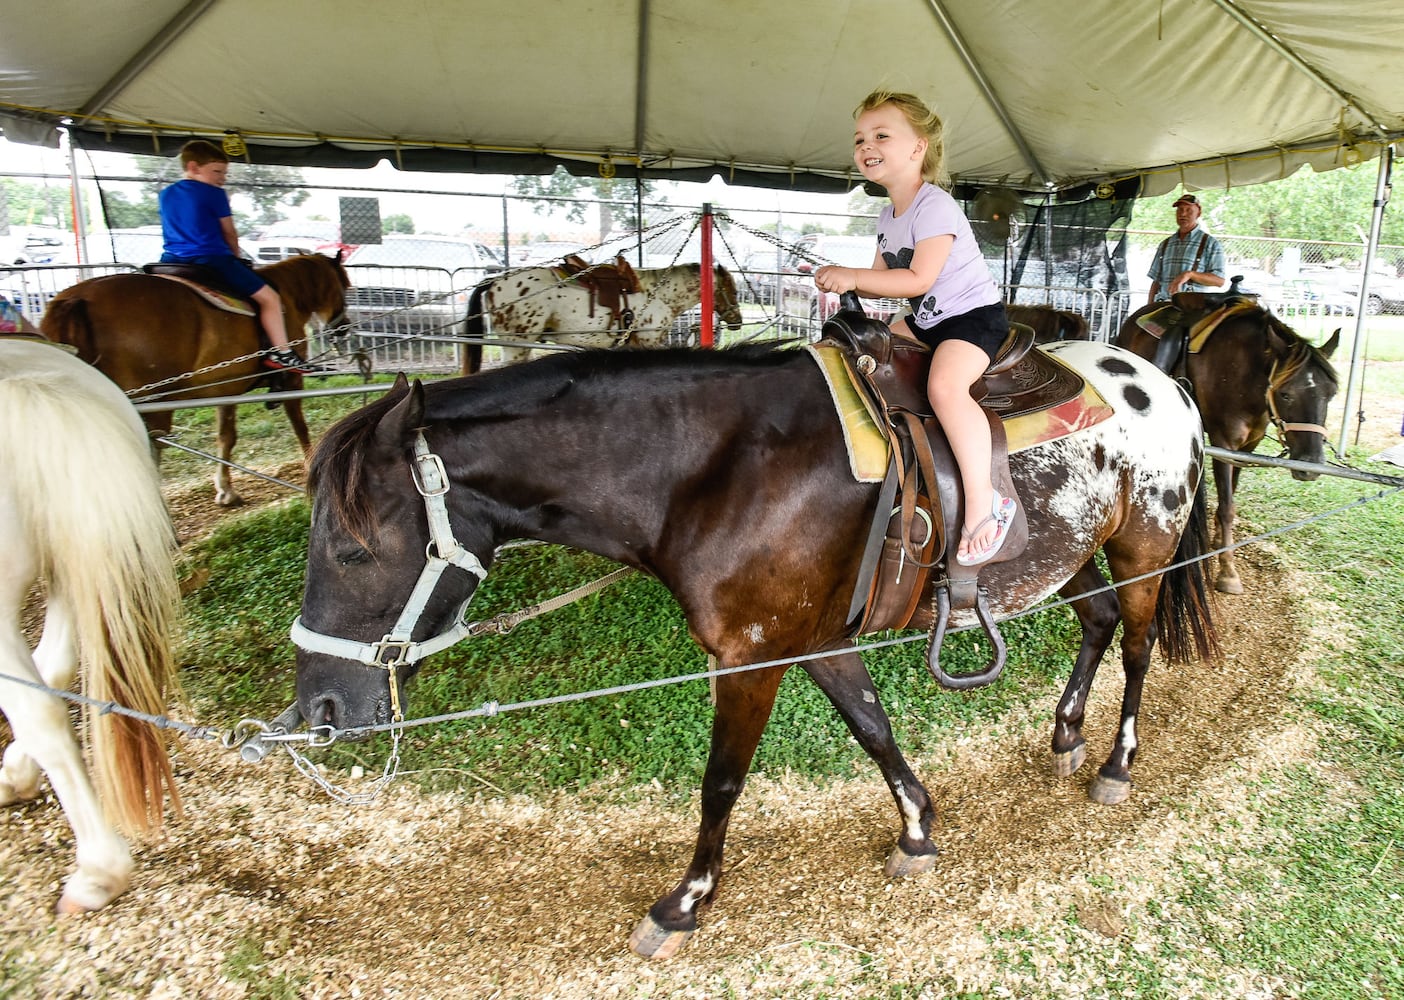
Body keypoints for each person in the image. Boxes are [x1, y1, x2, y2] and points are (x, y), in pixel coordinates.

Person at [814, 89, 1014, 567]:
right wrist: (847, 284)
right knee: (859, 360)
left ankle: (986, 502)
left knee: (945, 388)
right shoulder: (888, 215)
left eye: (882, 134)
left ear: (917, 147)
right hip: (926, 317)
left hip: (970, 317)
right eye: (860, 138)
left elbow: (918, 278)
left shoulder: (935, 206)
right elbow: (887, 284)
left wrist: (854, 276)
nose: (867, 145)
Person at [159, 140, 324, 373]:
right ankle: (283, 353)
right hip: (210, 259)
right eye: (217, 171)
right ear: (194, 167)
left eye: (224, 173)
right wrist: (234, 256)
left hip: (170, 261)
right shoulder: (214, 193)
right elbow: (229, 232)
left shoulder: (166, 193)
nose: (222, 178)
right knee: (270, 299)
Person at [1146, 193, 1227, 303]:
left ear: (1198, 213)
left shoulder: (1210, 244)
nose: (1183, 214)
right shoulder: (1165, 244)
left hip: (1192, 309)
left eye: (1189, 210)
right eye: (1180, 210)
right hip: (1163, 305)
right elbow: (1156, 281)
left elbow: (1219, 281)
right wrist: (1149, 306)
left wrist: (1190, 274)